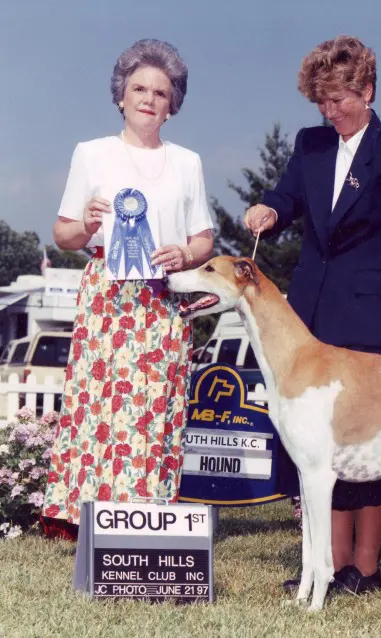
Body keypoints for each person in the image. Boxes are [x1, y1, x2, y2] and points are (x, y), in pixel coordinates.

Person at [243, 35, 381, 593]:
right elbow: (286, 199)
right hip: (309, 313)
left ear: (367, 90)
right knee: (318, 444)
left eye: (339, 100)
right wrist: (268, 209)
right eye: (322, 102)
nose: (331, 112)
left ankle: (368, 567)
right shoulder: (309, 145)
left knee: (371, 442)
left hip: (373, 311)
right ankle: (327, 568)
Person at [42, 39, 214, 539]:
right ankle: (85, 516)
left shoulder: (188, 162)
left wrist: (186, 253)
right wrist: (88, 223)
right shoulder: (91, 153)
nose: (149, 99)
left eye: (161, 92)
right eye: (139, 88)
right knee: (98, 403)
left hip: (162, 298)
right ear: (121, 95)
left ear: (172, 104)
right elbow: (64, 234)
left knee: (155, 404)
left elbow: (204, 237)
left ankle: (149, 510)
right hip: (106, 295)